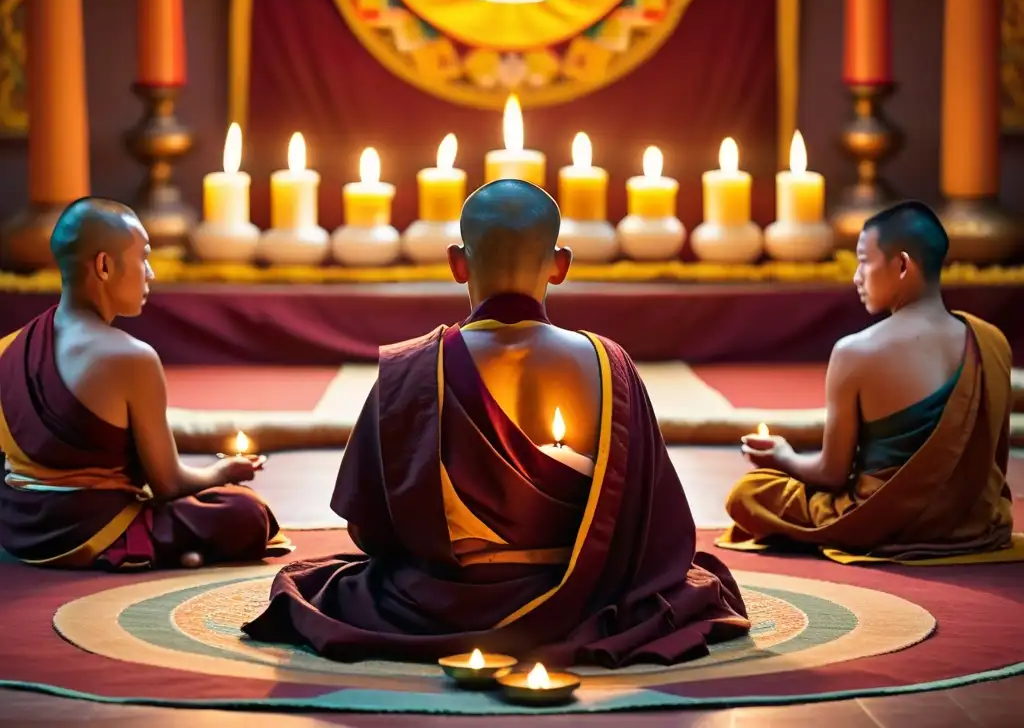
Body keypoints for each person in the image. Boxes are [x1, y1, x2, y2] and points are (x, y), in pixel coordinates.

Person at [243, 180, 749, 666]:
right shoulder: (608, 362)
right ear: (560, 265)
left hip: (436, 599)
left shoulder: (415, 369)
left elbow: (367, 526)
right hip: (581, 594)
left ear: (457, 264)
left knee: (308, 585)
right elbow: (654, 523)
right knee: (703, 581)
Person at [718, 201, 1022, 564]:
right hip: (970, 523)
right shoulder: (991, 340)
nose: (856, 276)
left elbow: (831, 475)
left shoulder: (855, 352)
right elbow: (993, 461)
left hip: (879, 520)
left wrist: (783, 456)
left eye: (863, 261)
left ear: (903, 265)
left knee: (751, 493)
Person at [0, 198, 291, 570]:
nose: (150, 273)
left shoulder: (9, 347)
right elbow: (168, 482)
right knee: (247, 510)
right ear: (104, 265)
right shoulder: (131, 357)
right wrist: (224, 471)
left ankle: (174, 548)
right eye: (144, 257)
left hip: (20, 532)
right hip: (95, 529)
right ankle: (144, 547)